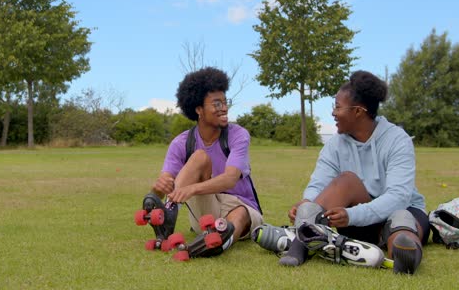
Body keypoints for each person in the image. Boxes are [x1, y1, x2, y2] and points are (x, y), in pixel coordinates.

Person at [280, 70, 429, 274]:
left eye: (338, 107)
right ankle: (300, 244)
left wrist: (352, 215)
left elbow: (399, 197)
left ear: (358, 111)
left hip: (400, 212)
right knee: (346, 181)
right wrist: (306, 206)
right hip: (359, 218)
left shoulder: (397, 140)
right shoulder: (335, 145)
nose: (333, 113)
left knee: (401, 220)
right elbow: (319, 183)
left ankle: (405, 257)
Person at [149, 67, 263, 254]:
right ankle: (169, 216)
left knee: (240, 213)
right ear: (199, 109)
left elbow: (230, 178)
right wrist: (157, 189)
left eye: (225, 103)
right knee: (200, 157)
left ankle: (218, 243)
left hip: (242, 205)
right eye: (217, 104)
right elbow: (165, 187)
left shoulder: (238, 135)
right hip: (206, 207)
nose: (224, 108)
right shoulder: (181, 143)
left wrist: (192, 188)